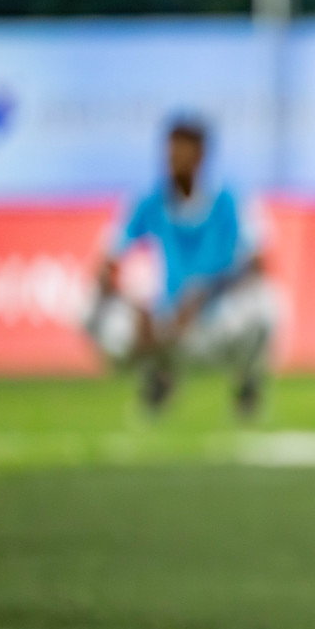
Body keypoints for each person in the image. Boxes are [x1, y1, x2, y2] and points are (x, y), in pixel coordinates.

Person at [84, 116, 276, 418]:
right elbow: (107, 263)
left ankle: (246, 380)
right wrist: (136, 306)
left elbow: (260, 264)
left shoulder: (229, 201)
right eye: (171, 151)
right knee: (86, 305)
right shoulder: (148, 201)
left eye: (183, 151)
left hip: (215, 320)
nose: (175, 159)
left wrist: (205, 292)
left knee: (267, 303)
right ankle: (155, 373)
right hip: (165, 320)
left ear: (201, 156)